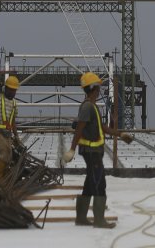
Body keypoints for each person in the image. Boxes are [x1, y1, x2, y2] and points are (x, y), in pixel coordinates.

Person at [61, 72, 117, 228]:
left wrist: (119, 134)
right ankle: (99, 220)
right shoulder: (87, 107)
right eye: (98, 87)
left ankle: (81, 218)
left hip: (94, 152)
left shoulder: (91, 106)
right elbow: (79, 128)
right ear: (92, 88)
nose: (99, 90)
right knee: (99, 183)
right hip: (91, 152)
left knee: (90, 183)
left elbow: (102, 128)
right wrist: (71, 149)